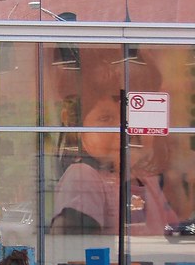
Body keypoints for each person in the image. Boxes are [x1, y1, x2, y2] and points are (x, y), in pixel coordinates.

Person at [50, 56, 179, 235]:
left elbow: (173, 231)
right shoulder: (84, 177)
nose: (124, 131)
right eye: (105, 119)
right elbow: (75, 250)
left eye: (133, 117)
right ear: (77, 127)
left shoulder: (147, 180)